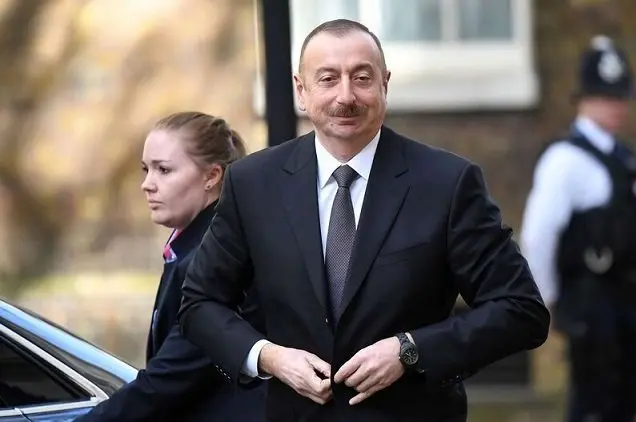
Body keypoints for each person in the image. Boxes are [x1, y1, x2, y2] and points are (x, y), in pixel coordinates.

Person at [177, 19, 549, 422]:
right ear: (301, 90)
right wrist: (269, 357)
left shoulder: (446, 183)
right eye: (328, 79)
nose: (346, 96)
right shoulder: (253, 183)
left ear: (384, 84)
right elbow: (200, 303)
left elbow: (521, 310)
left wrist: (410, 350)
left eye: (361, 78)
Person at [76, 112, 266, 422]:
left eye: (164, 170)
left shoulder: (218, 256)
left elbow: (168, 381)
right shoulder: (193, 245)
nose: (147, 185)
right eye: (146, 169)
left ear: (212, 176)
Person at [520, 36, 636, 422]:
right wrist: (546, 301)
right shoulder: (564, 160)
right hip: (590, 308)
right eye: (605, 96)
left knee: (623, 405)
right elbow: (539, 236)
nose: (616, 106)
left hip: (628, 306)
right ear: (583, 98)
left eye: (620, 97)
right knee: (593, 407)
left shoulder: (626, 158)